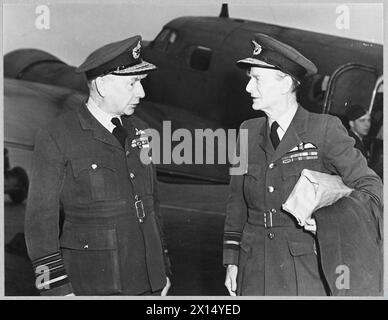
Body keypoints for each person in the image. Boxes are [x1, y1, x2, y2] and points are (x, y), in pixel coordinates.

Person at [223, 33, 383, 296]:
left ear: (285, 82)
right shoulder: (246, 133)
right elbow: (236, 204)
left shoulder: (324, 130)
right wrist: (232, 261)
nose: (248, 87)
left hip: (305, 273)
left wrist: (329, 221)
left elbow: (372, 188)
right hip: (253, 269)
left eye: (257, 79)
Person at [25, 35, 171, 296]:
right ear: (102, 85)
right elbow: (39, 221)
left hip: (149, 282)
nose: (142, 92)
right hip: (92, 285)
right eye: (133, 83)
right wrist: (55, 289)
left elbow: (152, 207)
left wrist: (163, 270)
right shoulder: (57, 135)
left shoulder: (142, 131)